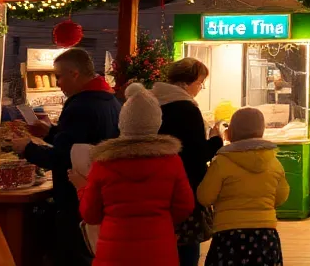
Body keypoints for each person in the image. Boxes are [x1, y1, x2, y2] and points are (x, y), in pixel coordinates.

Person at [13, 47, 121, 266]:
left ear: (74, 74)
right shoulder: (110, 101)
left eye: (59, 76)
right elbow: (80, 144)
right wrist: (51, 133)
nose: (57, 82)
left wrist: (27, 148)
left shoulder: (81, 106)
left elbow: (63, 158)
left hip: (77, 197)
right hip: (100, 193)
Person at [78, 83, 195, 266]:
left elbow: (90, 214)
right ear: (157, 123)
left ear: (122, 122)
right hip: (160, 253)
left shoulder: (103, 163)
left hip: (114, 254)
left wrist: (81, 189)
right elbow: (185, 206)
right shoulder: (171, 161)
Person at [153, 57, 225, 266]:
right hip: (184, 188)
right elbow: (195, 154)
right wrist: (215, 141)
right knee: (187, 249)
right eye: (200, 84)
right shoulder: (186, 108)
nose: (199, 89)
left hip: (155, 188)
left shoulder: (153, 102)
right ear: (187, 82)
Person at [197, 107, 290, 266]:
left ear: (230, 133)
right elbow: (282, 196)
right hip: (266, 235)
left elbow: (204, 196)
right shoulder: (273, 162)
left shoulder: (222, 162)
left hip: (228, 235)